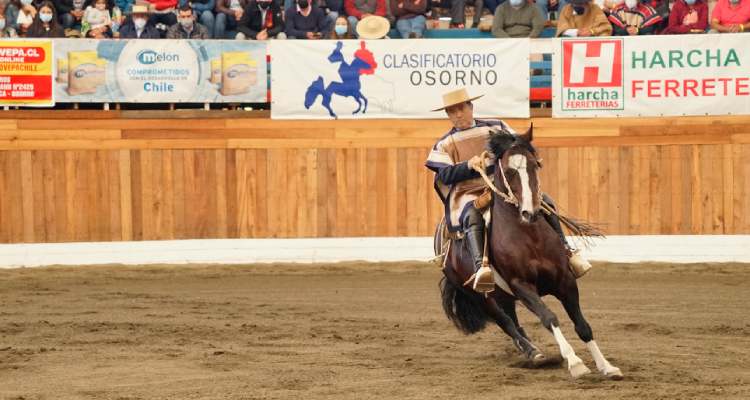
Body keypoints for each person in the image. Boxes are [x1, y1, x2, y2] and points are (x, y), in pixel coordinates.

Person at [425, 88, 592, 292]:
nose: (458, 114)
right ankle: (481, 266)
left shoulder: (495, 127)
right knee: (471, 214)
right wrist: (468, 166)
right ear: (448, 115)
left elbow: (518, 146)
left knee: (544, 201)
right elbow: (443, 175)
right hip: (468, 191)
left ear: (471, 107)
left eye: (461, 108)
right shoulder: (444, 143)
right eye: (452, 111)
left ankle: (567, 251)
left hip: (502, 186)